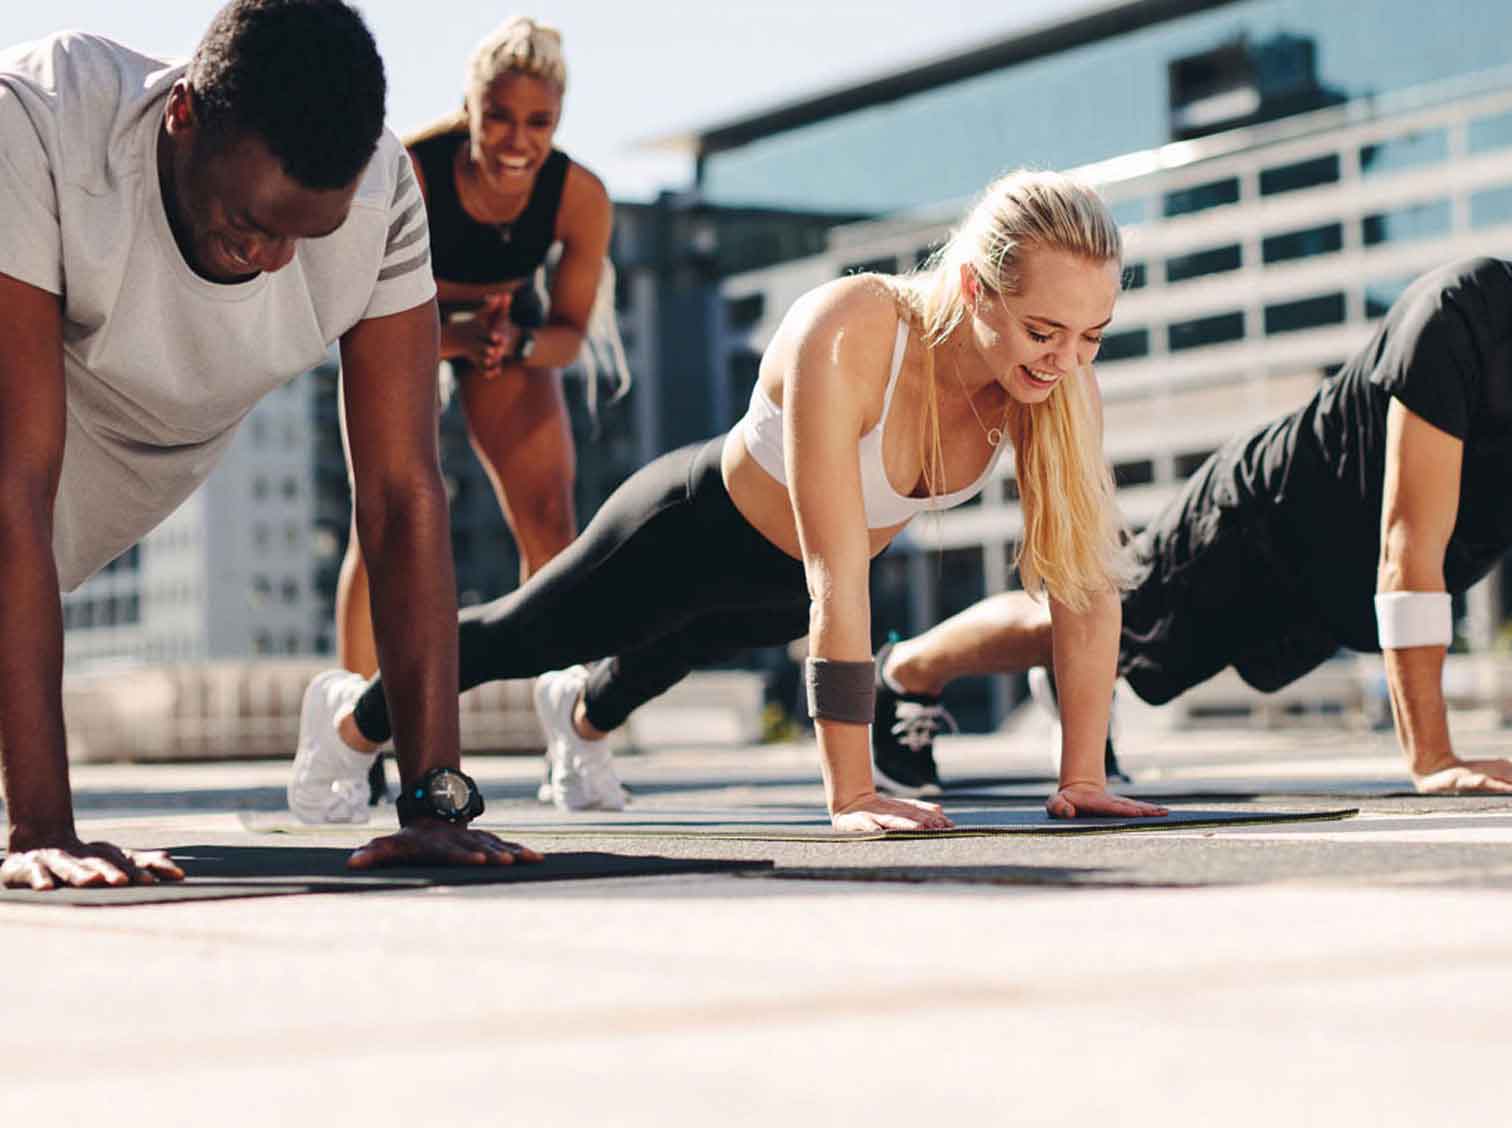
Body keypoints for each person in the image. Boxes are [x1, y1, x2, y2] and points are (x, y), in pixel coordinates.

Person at [293, 169, 1167, 831]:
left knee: (668, 658)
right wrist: (852, 793)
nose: (1064, 359)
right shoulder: (854, 330)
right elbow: (839, 575)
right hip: (691, 529)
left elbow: (1085, 586)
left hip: (783, 594)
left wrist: (1081, 777)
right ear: (976, 287)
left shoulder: (1057, 388)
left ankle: (579, 717)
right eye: (1043, 330)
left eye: (1091, 336)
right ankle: (348, 720)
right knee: (527, 634)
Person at [872, 192, 1512, 795]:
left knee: (1123, 652)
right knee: (1109, 617)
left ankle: (1070, 682)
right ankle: (908, 671)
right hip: (1265, 523)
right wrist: (1433, 757)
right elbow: (1409, 536)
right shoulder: (1468, 315)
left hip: (1353, 584)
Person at [0, 0, 538, 891]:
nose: (276, 261)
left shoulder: (380, 198)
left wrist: (436, 803)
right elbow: (14, 482)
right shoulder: (42, 122)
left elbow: (403, 495)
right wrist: (43, 825)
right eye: (250, 223)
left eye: (305, 233)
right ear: (182, 117)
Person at [336, 15, 623, 678]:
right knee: (381, 518)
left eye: (539, 123)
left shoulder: (580, 196)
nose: (517, 141)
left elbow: (570, 337)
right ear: (469, 106)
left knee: (552, 518)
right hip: (398, 315)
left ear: (558, 120)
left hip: (507, 324)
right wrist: (451, 332)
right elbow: (353, 306)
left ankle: (565, 723)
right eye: (497, 117)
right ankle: (353, 731)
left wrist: (516, 344)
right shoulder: (411, 168)